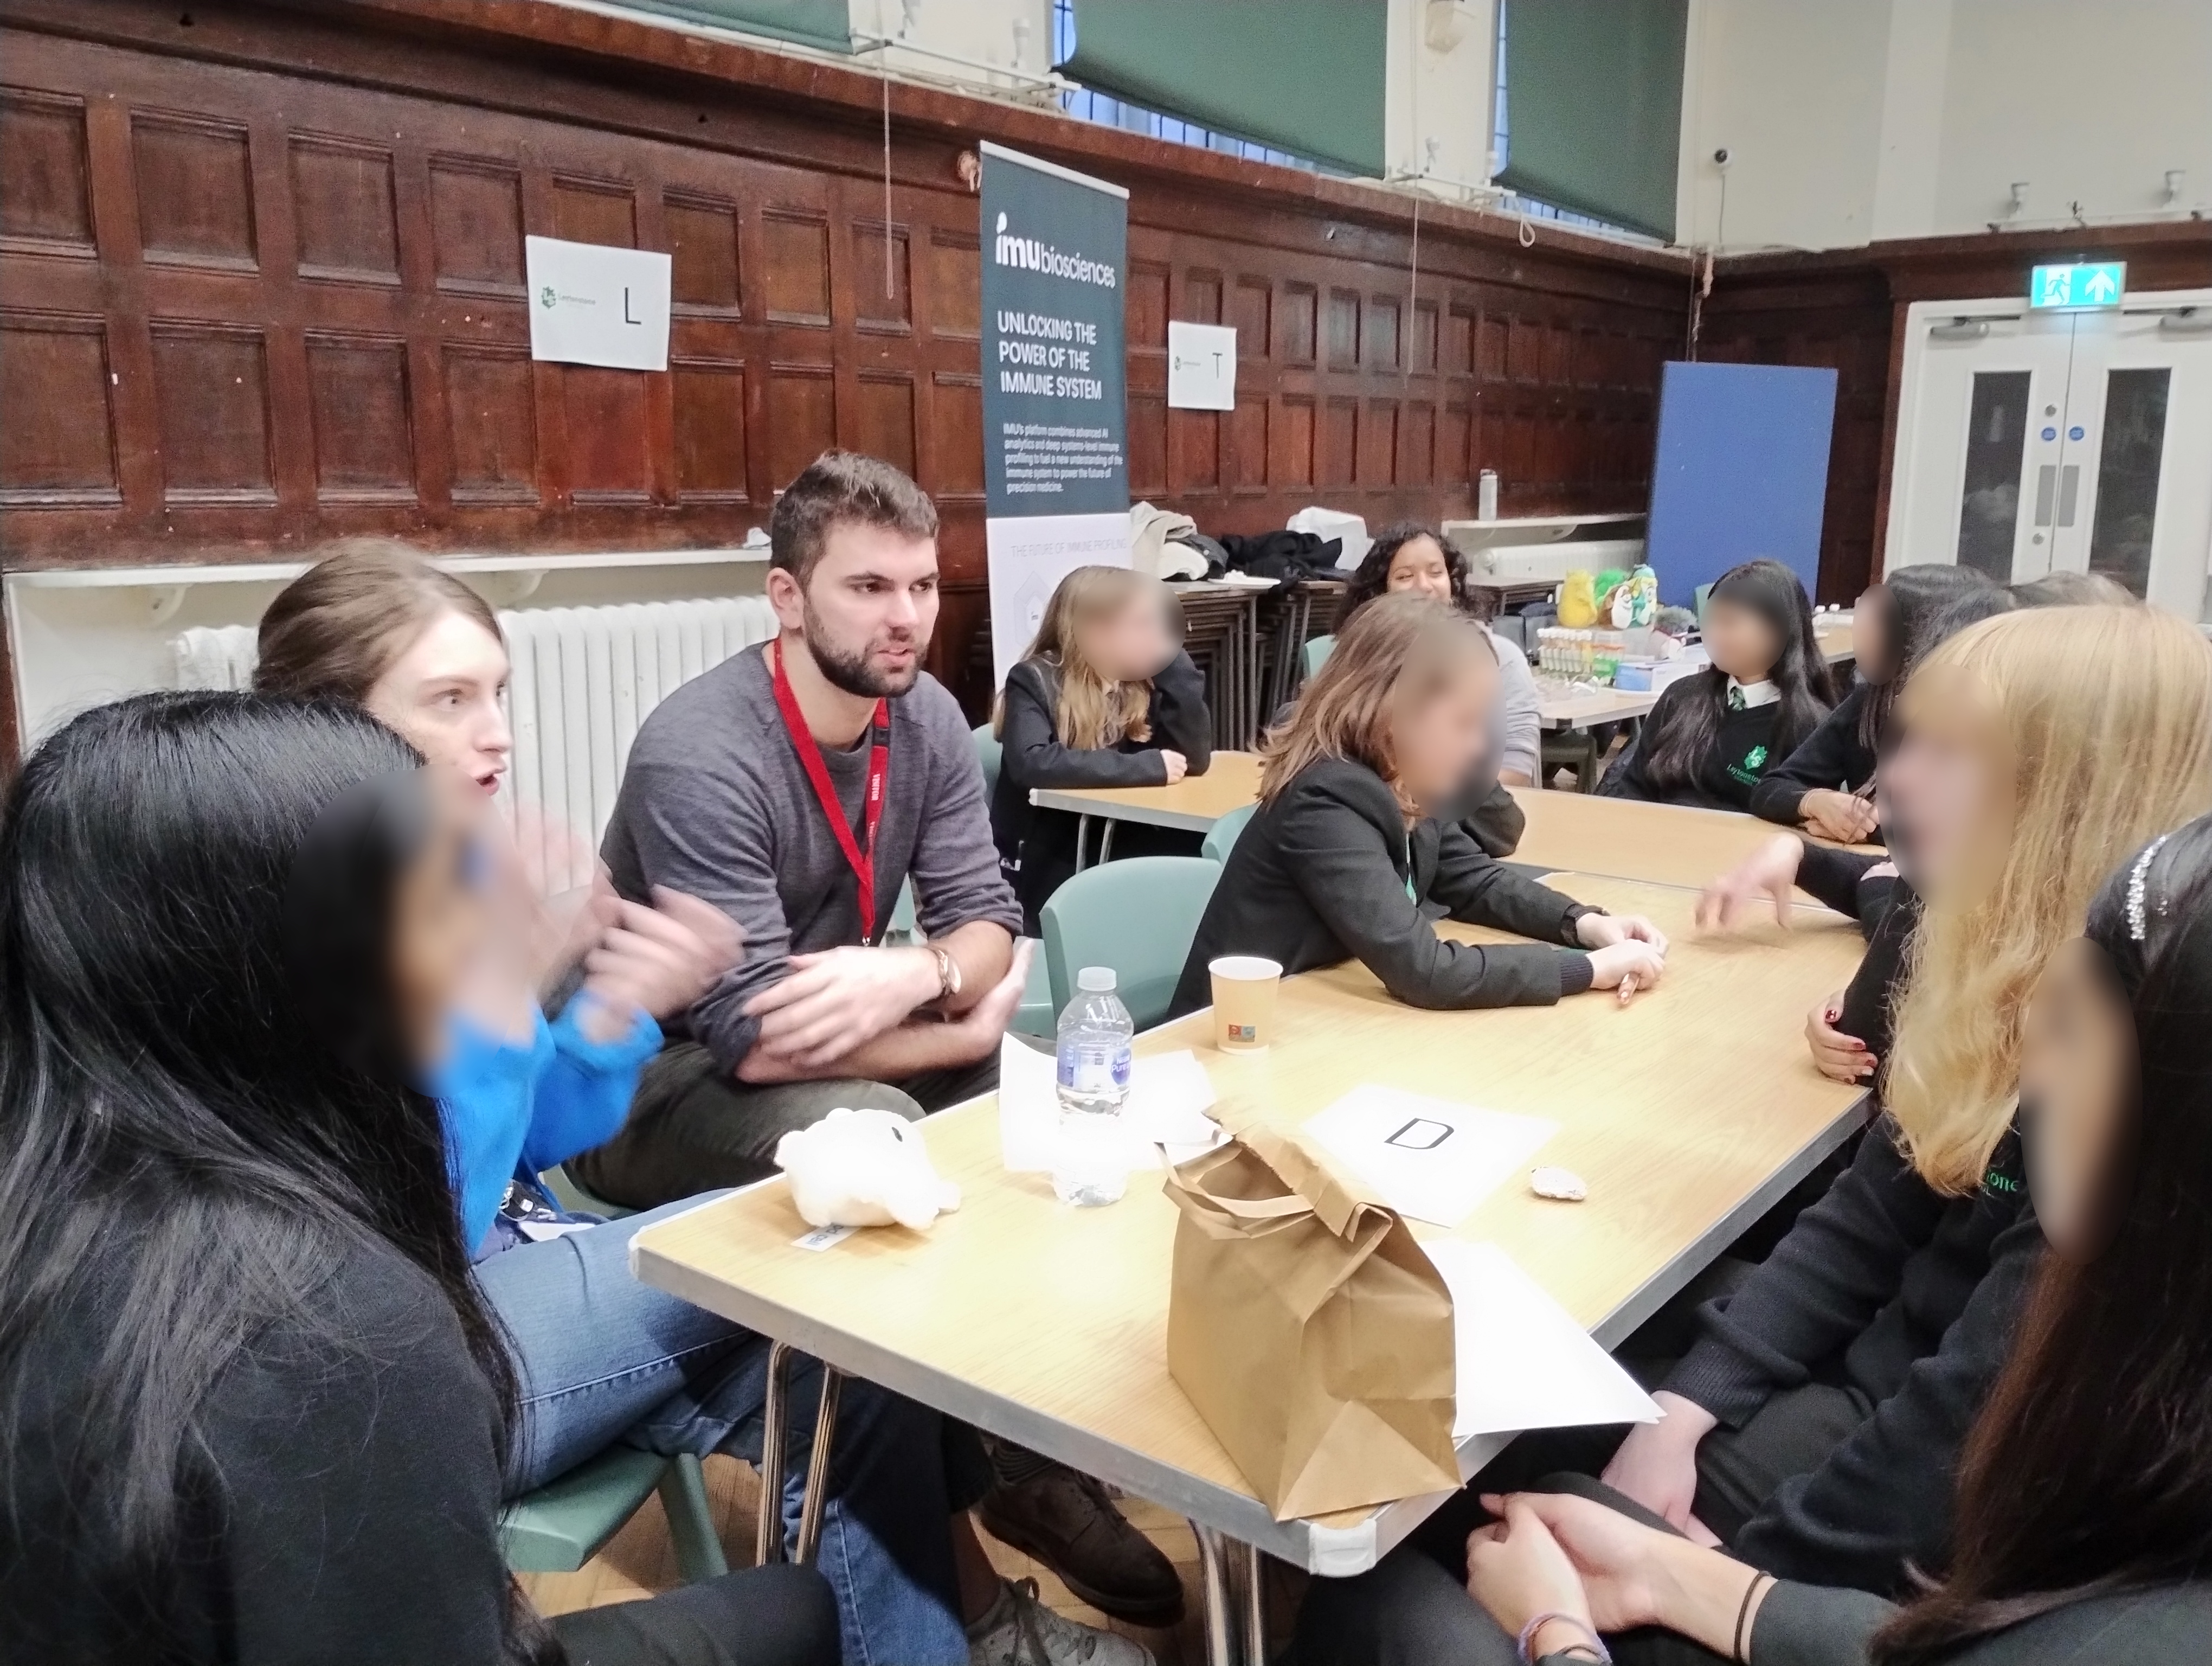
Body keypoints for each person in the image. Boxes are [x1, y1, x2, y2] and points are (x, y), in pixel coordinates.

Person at [254, 543, 1153, 1663]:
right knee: (822, 1255)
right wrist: (488, 999)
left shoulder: (453, 868)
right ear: (328, 720)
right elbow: (409, 1205)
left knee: (856, 1345)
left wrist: (611, 1005)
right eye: (449, 700)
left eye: (498, 693)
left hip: (524, 1258)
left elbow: (542, 1136)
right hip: (408, 1347)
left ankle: (964, 1625)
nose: (497, 732)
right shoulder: (289, 907)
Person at [1291, 602, 2212, 1661]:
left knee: (1394, 1564)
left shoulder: (2128, 1103)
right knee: (1455, 1456)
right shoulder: (2005, 971)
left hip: (1896, 1533)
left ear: (2069, 801)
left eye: (1947, 754)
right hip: (1860, 1442)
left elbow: (1958, 1440)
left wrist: (1715, 1579)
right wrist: (1685, 1411)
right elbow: (1870, 1216)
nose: (1891, 784)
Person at [0, 692, 840, 1666]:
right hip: (423, 1380)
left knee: (802, 1364)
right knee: (793, 1595)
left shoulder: (74, 1171)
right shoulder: (338, 1331)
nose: (496, 730)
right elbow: (432, 1217)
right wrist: (506, 1011)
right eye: (447, 698)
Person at [567, 452, 1183, 1643]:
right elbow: (748, 1037)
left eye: (923, 586)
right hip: (643, 1088)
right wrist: (955, 1011)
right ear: (786, 599)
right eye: (867, 589)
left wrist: (921, 972)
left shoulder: (932, 718)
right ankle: (969, 1588)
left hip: (837, 1036)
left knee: (1021, 1087)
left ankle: (1026, 1461)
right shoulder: (701, 746)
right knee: (887, 1136)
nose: (905, 618)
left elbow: (989, 929)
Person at [1167, 595, 1668, 1021]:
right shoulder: (1325, 799)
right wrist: (1587, 970)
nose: (1478, 748)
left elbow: (1475, 881)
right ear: (1391, 714)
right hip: (1233, 1039)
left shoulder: (1402, 778)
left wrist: (1584, 924)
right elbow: (1425, 972)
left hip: (1317, 1017)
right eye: (1464, 723)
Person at [991, 564, 1213, 933]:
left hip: (1112, 836)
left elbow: (1192, 759)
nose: (1155, 635)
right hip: (1050, 851)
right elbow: (1034, 762)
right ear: (1095, 632)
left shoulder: (1140, 681)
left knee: (1193, 852)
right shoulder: (1033, 679)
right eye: (1141, 625)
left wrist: (1172, 662)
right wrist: (1145, 768)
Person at [1747, 563, 1991, 843]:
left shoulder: (1972, 716)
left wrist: (1864, 830)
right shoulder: (1871, 700)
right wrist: (1813, 803)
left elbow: (1970, 831)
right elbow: (1771, 788)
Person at [1599, 559, 1835, 811]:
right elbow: (1634, 787)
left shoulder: (1809, 724)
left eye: (1730, 623)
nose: (1715, 635)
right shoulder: (1680, 696)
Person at [1339, 521, 1542, 787]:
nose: (1424, 586)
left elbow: (1515, 774)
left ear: (1453, 582)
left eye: (1436, 573)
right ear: (1379, 593)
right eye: (1405, 577)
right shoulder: (1364, 656)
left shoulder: (1501, 659)